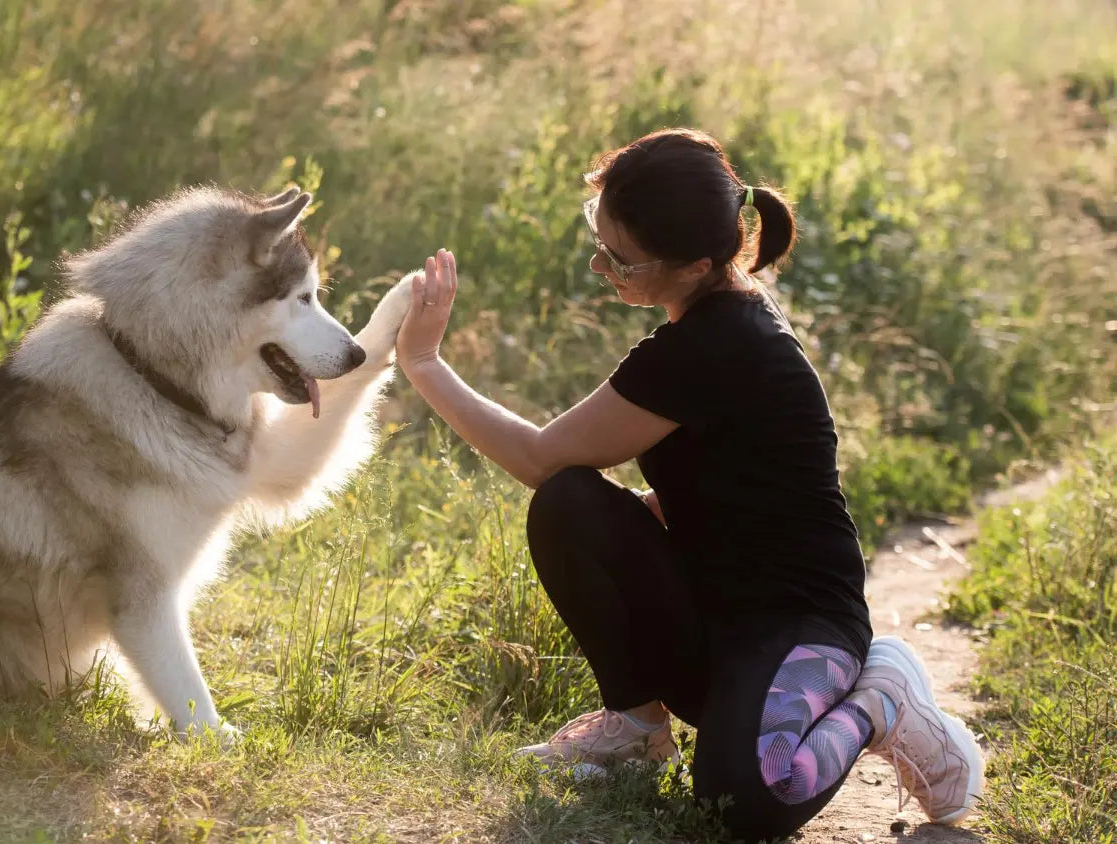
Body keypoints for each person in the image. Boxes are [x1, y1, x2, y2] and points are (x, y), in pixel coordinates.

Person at [393, 128, 983, 842]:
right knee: (570, 506)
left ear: (696, 262)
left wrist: (424, 363)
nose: (598, 263)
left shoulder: (714, 345)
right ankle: (638, 729)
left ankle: (878, 702)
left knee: (744, 804)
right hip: (715, 613)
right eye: (596, 234)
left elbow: (538, 455)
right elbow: (716, 475)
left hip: (800, 628)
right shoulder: (711, 317)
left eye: (620, 258)